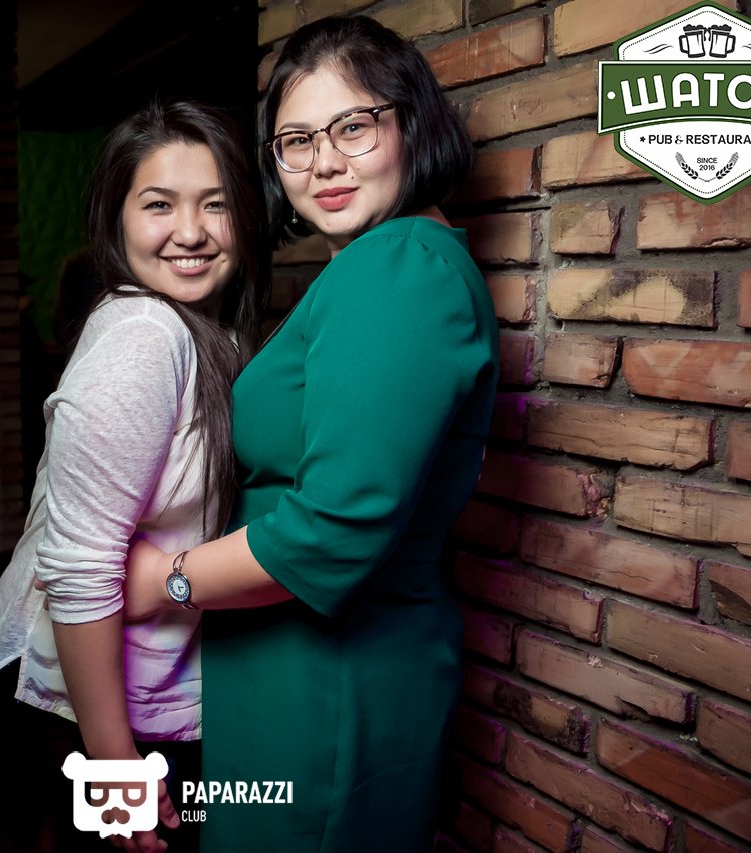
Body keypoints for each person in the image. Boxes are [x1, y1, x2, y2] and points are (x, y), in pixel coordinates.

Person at [121, 16, 498, 852]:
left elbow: (332, 529)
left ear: (412, 125)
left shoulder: (400, 267)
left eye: (353, 126)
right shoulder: (379, 264)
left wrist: (166, 581)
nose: (324, 161)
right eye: (297, 140)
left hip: (328, 682)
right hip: (291, 669)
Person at [0, 100, 266, 852]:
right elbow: (80, 566)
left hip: (122, 703)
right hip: (67, 714)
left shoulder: (206, 328)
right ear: (116, 219)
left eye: (216, 204)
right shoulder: (145, 335)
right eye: (158, 204)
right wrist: (113, 763)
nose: (190, 231)